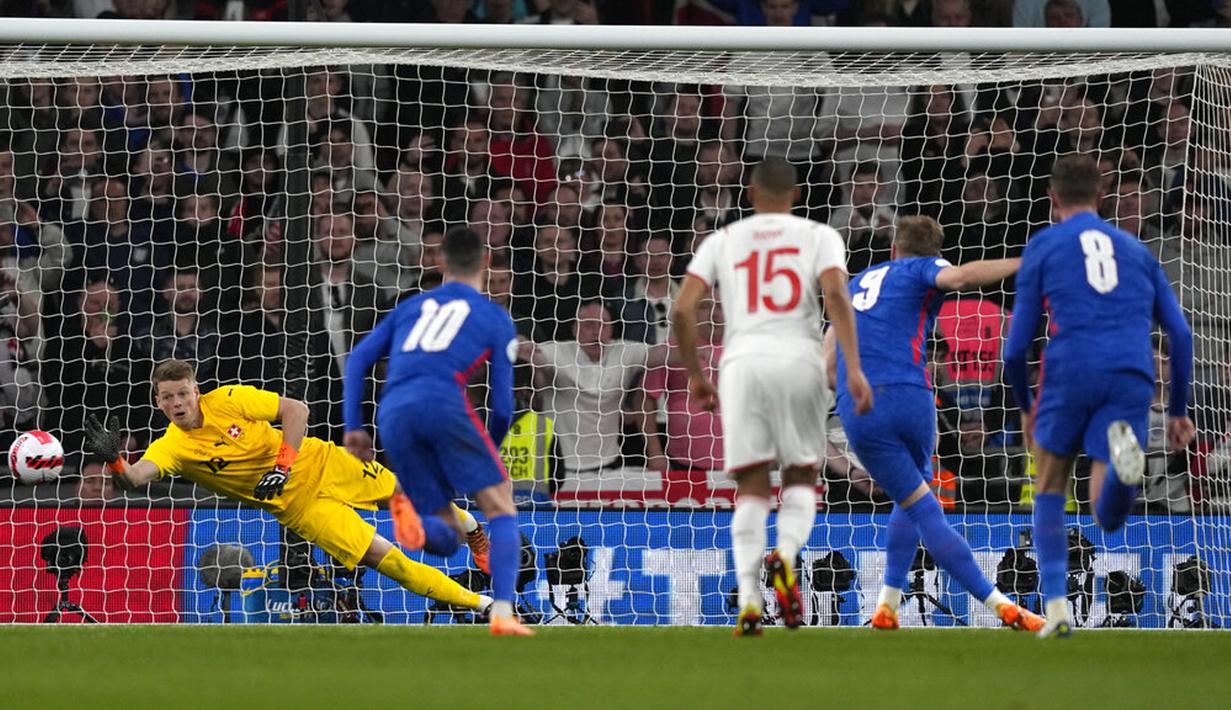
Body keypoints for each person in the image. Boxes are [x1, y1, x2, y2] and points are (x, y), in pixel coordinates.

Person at [82, 359, 493, 617]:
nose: (177, 403)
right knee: (388, 562)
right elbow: (134, 481)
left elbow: (296, 409)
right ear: (158, 403)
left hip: (323, 463)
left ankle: (473, 533)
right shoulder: (172, 448)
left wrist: (283, 464)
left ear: (196, 392)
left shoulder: (229, 399)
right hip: (299, 508)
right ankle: (485, 605)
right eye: (168, 397)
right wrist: (116, 460)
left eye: (183, 393)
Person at [671, 157, 873, 636]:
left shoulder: (722, 240)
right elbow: (837, 298)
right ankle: (784, 555)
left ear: (749, 193)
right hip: (799, 358)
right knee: (802, 474)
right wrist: (855, 367)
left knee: (752, 486)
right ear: (797, 195)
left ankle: (748, 597)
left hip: (743, 364)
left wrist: (698, 376)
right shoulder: (821, 236)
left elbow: (682, 310)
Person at [1003, 154, 1195, 638]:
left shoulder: (1045, 244)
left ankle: (1057, 608)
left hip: (1071, 367)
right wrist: (1176, 411)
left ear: (1052, 198)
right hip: (1131, 370)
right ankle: (1124, 472)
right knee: (1106, 515)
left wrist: (1026, 407)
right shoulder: (1135, 250)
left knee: (1049, 483)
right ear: (1103, 196)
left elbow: (1016, 346)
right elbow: (1181, 334)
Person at [820, 215, 1042, 633]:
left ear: (893, 248)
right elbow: (961, 278)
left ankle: (886, 607)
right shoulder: (923, 268)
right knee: (922, 502)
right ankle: (1002, 606)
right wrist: (1024, 261)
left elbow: (828, 366)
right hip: (912, 395)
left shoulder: (856, 284)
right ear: (935, 252)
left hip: (862, 403)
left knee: (915, 498)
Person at [342, 227, 534, 637]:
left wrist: (355, 427)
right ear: (486, 265)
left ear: (440, 263)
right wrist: (491, 450)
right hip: (445, 406)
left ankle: (409, 511)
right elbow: (503, 405)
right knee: (500, 509)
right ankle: (501, 612)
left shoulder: (412, 307)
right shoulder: (494, 319)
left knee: (446, 537)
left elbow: (358, 358)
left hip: (392, 413)